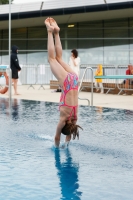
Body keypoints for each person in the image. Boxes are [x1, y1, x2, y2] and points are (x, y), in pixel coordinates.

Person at [44, 17, 82, 148]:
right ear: (64, 125)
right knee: (52, 59)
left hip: (75, 79)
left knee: (59, 58)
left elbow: (69, 134)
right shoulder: (63, 119)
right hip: (67, 82)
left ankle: (57, 32)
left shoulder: (75, 119)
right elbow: (57, 136)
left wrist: (67, 142)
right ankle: (50, 31)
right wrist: (57, 147)